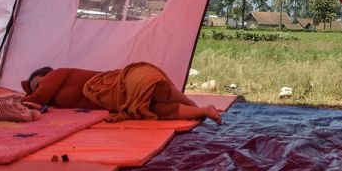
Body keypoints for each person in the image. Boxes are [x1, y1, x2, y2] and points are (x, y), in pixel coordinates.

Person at [21, 62, 222, 124]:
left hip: (118, 82)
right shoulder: (53, 102)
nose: (40, 88)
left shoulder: (57, 75)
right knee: (151, 109)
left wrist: (19, 101)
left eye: (39, 83)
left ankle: (192, 105)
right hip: (118, 99)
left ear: (45, 75)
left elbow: (37, 98)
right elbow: (39, 100)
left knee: (151, 86)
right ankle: (202, 111)